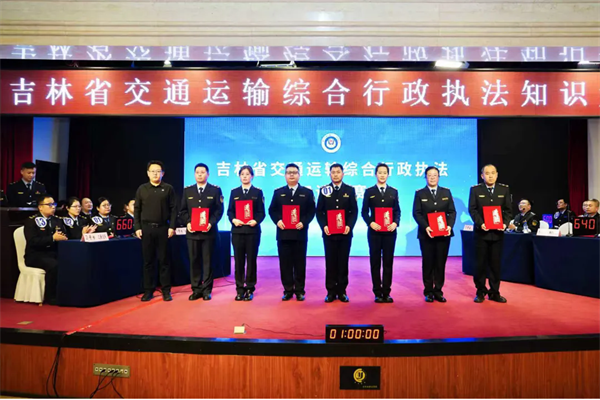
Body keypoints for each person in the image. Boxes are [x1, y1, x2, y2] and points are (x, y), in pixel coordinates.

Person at [268, 163, 316, 301]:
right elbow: (272, 210)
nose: (291, 175)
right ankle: (288, 290)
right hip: (283, 234)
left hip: (300, 234)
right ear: (285, 175)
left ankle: (300, 290)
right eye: (289, 172)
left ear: (299, 175)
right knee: (285, 264)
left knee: (300, 263)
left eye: (294, 172)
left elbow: (311, 211)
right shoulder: (278, 192)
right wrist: (278, 221)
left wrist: (304, 222)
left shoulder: (307, 193)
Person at [134, 160, 178, 302]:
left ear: (163, 173)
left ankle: (166, 290)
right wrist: (137, 227)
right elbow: (137, 209)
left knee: (164, 260)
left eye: (158, 171)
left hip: (163, 228)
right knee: (148, 261)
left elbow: (174, 209)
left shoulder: (168, 188)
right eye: (152, 171)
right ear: (148, 173)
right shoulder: (142, 189)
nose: (155, 173)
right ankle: (148, 290)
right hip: (146, 229)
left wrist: (172, 227)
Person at [468, 164, 512, 303]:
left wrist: (504, 224)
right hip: (481, 234)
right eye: (487, 173)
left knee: (495, 265)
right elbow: (472, 210)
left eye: (493, 173)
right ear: (482, 176)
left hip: (497, 234)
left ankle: (494, 292)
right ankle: (480, 291)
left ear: (497, 175)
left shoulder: (503, 189)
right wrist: (481, 223)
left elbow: (508, 210)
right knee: (480, 265)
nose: (490, 176)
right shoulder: (475, 190)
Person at [180, 163, 224, 301]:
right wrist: (188, 223)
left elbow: (219, 210)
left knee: (207, 262)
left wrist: (210, 223)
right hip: (192, 233)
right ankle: (196, 289)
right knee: (194, 261)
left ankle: (207, 290)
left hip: (208, 233)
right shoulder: (188, 191)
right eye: (197, 172)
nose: (200, 174)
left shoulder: (215, 190)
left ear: (208, 174)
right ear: (194, 174)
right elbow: (183, 210)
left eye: (202, 172)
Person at [412, 166, 456, 303]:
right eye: (429, 175)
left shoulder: (446, 192)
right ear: (425, 177)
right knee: (428, 263)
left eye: (435, 175)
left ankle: (438, 290)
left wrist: (449, 226)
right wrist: (426, 227)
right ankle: (428, 291)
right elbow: (417, 213)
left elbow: (452, 212)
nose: (432, 177)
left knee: (440, 263)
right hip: (427, 234)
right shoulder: (420, 193)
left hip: (444, 234)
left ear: (439, 177)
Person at [315, 163, 358, 303]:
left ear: (343, 174)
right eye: (333, 172)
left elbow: (354, 211)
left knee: (343, 262)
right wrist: (324, 226)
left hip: (345, 233)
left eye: (338, 172)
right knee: (330, 262)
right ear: (329, 174)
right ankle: (331, 291)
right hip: (329, 233)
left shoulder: (350, 190)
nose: (335, 174)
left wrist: (349, 226)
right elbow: (319, 211)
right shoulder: (324, 190)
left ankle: (342, 291)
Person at [361, 163, 400, 303]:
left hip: (390, 232)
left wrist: (395, 223)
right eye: (380, 172)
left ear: (388, 175)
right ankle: (377, 292)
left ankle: (386, 292)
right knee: (375, 262)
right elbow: (364, 211)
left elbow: (397, 211)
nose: (382, 175)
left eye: (385, 172)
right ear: (375, 174)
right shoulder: (369, 191)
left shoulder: (393, 191)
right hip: (374, 232)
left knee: (388, 262)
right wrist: (370, 223)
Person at [227, 166, 265, 301]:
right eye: (242, 174)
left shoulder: (257, 192)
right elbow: (230, 211)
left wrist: (256, 221)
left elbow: (261, 212)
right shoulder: (234, 192)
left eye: (247, 174)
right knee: (238, 261)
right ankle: (239, 289)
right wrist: (233, 220)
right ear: (239, 176)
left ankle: (249, 288)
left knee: (251, 260)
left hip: (252, 231)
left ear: (252, 176)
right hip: (237, 231)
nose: (244, 176)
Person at [23, 194, 68, 303]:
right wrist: (52, 238)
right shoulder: (32, 221)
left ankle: (67, 293)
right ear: (40, 207)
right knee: (54, 265)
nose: (53, 207)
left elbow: (64, 235)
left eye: (54, 204)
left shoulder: (57, 220)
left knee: (70, 262)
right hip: (36, 255)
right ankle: (50, 296)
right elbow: (33, 241)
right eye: (49, 204)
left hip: (53, 253)